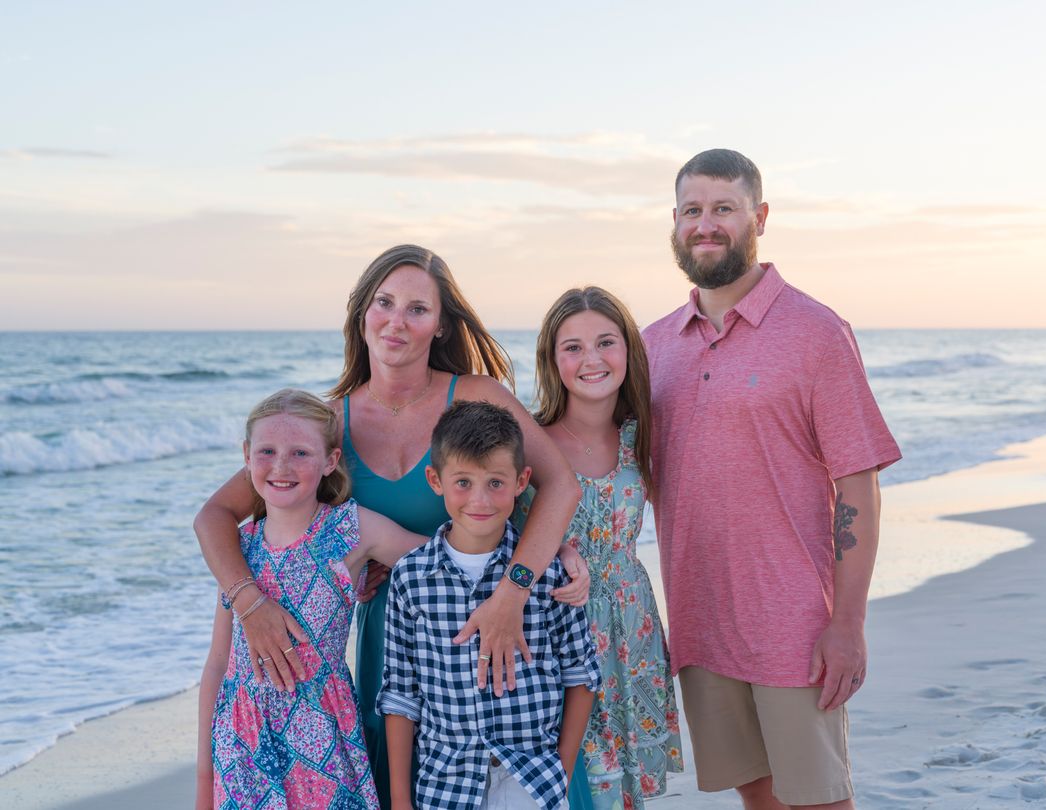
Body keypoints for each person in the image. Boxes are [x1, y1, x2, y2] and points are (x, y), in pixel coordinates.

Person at [194, 245, 588, 807]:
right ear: (362, 313)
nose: (396, 321)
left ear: (441, 325)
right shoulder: (326, 426)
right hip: (391, 644)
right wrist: (250, 604)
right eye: (384, 303)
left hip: (489, 621)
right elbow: (214, 516)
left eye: (417, 309)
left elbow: (558, 486)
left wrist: (522, 580)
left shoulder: (475, 396)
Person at [643, 149, 901, 810]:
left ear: (758, 218)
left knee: (820, 800)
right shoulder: (651, 346)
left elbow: (857, 486)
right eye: (692, 210)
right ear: (674, 221)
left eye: (723, 209)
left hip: (794, 624)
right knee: (757, 796)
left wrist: (848, 624)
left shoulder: (816, 332)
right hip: (699, 619)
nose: (706, 224)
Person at [197, 389, 422, 808]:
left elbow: (444, 562)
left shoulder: (352, 529)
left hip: (323, 738)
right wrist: (204, 782)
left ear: (330, 461)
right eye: (267, 451)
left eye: (300, 453)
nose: (281, 466)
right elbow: (217, 664)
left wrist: (536, 562)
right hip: (241, 747)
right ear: (246, 456)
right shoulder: (238, 549)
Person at [379, 400, 601, 809]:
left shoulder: (546, 572)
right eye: (463, 482)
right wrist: (399, 800)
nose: (479, 500)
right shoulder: (411, 578)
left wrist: (561, 775)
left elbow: (581, 673)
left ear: (521, 481)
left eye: (495, 482)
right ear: (435, 480)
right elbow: (400, 693)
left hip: (531, 780)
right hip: (446, 782)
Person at [519, 287, 683, 808]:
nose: (591, 359)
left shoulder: (645, 436)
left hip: (630, 624)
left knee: (623, 790)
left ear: (628, 350)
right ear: (552, 360)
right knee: (567, 782)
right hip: (556, 628)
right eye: (573, 347)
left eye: (605, 342)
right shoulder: (530, 443)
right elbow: (489, 527)